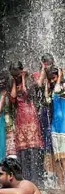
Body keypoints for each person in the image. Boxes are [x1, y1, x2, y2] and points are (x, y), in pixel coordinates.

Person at [10, 61, 44, 185]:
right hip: (20, 119)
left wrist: (24, 78)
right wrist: (14, 81)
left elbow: (26, 93)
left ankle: (36, 179)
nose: (16, 76)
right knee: (23, 150)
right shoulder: (14, 83)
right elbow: (13, 98)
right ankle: (25, 179)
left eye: (17, 74)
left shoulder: (30, 79)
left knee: (33, 148)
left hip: (30, 116)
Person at [34, 53, 56, 181]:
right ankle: (49, 174)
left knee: (55, 141)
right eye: (45, 63)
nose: (48, 65)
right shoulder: (40, 75)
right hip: (45, 111)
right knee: (47, 142)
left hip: (56, 110)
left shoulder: (57, 74)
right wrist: (43, 70)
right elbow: (39, 85)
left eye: (49, 63)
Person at [47, 67, 65, 187]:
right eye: (51, 79)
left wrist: (60, 75)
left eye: (53, 78)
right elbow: (48, 100)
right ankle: (60, 183)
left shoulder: (62, 88)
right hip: (55, 127)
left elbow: (58, 90)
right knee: (57, 157)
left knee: (64, 157)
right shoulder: (52, 90)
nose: (52, 81)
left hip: (63, 127)